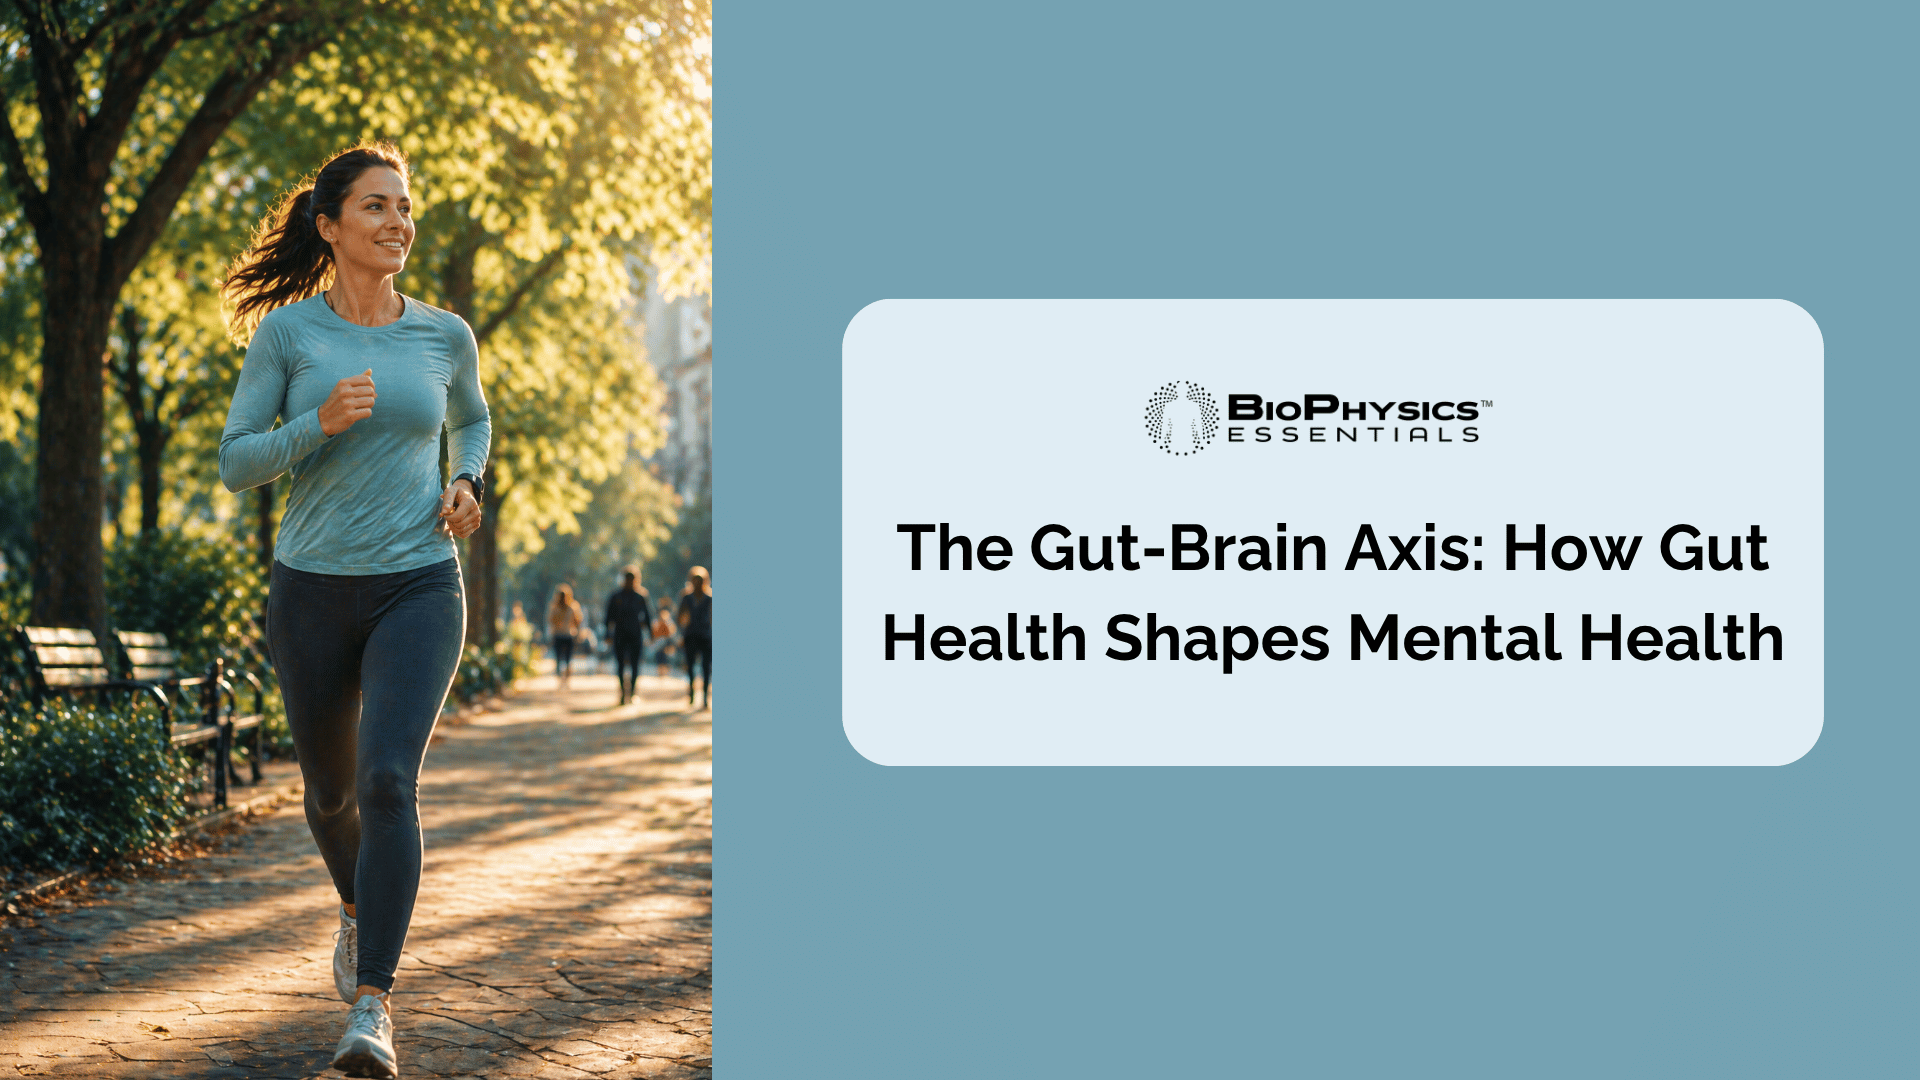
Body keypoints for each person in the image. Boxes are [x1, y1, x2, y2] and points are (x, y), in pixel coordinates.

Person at [218, 142, 488, 1079]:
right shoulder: (288, 338)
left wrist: (464, 478)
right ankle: (356, 904)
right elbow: (236, 459)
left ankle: (372, 1006)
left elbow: (475, 418)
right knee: (329, 797)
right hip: (312, 588)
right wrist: (315, 425)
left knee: (386, 784)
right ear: (330, 227)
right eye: (376, 207)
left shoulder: (444, 334)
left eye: (405, 207)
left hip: (420, 580)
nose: (398, 223)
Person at [604, 566, 653, 705]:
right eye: (627, 578)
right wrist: (608, 634)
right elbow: (609, 617)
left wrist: (650, 633)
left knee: (635, 665)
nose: (629, 581)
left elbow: (647, 616)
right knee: (620, 665)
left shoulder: (641, 596)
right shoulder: (616, 596)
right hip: (619, 635)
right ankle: (621, 692)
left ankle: (631, 692)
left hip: (635, 635)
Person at [676, 566, 713, 709]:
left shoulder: (710, 597)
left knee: (706, 667)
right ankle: (691, 693)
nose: (697, 583)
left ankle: (704, 697)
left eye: (700, 580)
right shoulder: (686, 597)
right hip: (691, 635)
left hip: (706, 635)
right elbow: (680, 616)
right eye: (695, 580)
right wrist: (682, 629)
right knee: (690, 666)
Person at [548, 584, 584, 691]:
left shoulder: (573, 607)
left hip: (568, 636)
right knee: (559, 659)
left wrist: (578, 634)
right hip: (558, 635)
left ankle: (566, 681)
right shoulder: (555, 608)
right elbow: (551, 621)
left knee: (568, 660)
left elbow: (578, 621)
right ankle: (560, 680)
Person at [648, 603, 679, 677]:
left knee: (664, 657)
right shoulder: (657, 622)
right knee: (661, 656)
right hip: (660, 644)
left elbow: (671, 634)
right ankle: (661, 671)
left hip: (665, 644)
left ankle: (663, 671)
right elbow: (654, 633)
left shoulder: (667, 623)